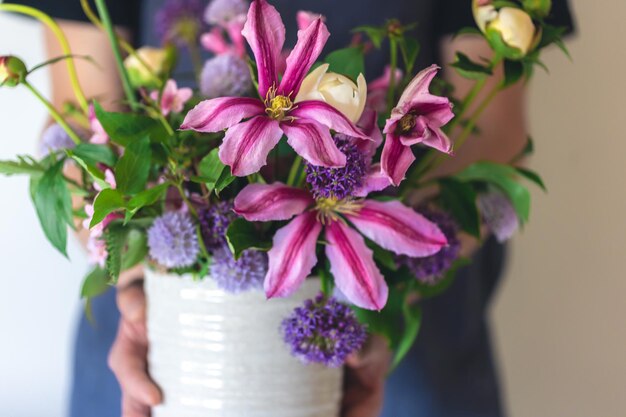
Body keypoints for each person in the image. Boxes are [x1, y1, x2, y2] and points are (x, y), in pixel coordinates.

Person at [11, 0, 574, 416]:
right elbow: (82, 112)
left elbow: (493, 126)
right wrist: (138, 287)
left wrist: (377, 297)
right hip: (164, 324)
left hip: (395, 340)